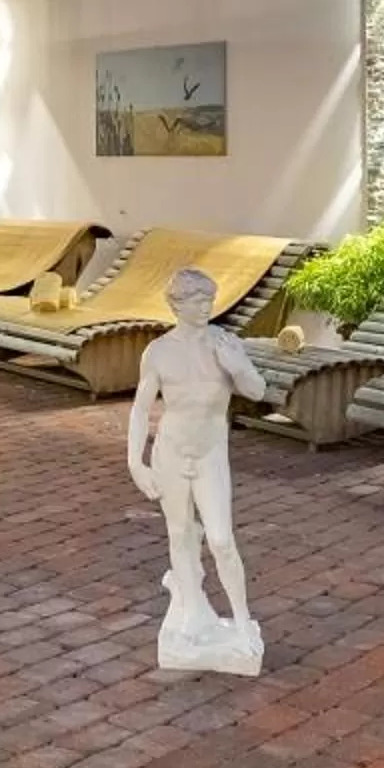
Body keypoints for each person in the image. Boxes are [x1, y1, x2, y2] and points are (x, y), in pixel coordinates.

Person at [126, 266, 266, 673]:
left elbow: (258, 391)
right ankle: (191, 611)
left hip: (209, 453)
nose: (206, 308)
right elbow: (140, 410)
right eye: (196, 301)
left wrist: (236, 366)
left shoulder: (225, 343)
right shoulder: (158, 352)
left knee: (221, 539)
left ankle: (241, 620)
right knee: (181, 534)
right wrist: (136, 462)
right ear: (176, 305)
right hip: (171, 452)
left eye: (209, 300)